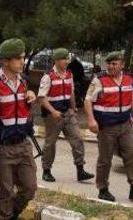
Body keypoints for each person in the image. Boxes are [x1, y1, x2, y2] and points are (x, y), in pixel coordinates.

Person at [0, 38, 38, 220]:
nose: (22, 61)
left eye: (23, 56)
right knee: (5, 191)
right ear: (6, 61)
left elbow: (26, 107)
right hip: (3, 145)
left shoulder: (24, 80)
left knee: (29, 188)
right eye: (18, 58)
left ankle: (13, 216)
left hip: (23, 142)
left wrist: (31, 96)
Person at [84, 51, 133, 203]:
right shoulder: (99, 80)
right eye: (109, 64)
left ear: (122, 65)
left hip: (125, 124)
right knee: (105, 159)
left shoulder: (128, 79)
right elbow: (88, 100)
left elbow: (131, 98)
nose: (111, 66)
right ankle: (103, 189)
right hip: (106, 126)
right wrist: (91, 120)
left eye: (114, 64)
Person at [38, 48, 93, 183]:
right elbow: (41, 98)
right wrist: (53, 111)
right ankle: (46, 170)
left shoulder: (69, 74)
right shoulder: (48, 76)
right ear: (56, 60)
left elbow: (71, 93)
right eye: (64, 59)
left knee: (78, 139)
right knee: (50, 144)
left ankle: (80, 170)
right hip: (53, 115)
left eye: (67, 59)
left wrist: (73, 108)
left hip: (67, 113)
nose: (67, 62)